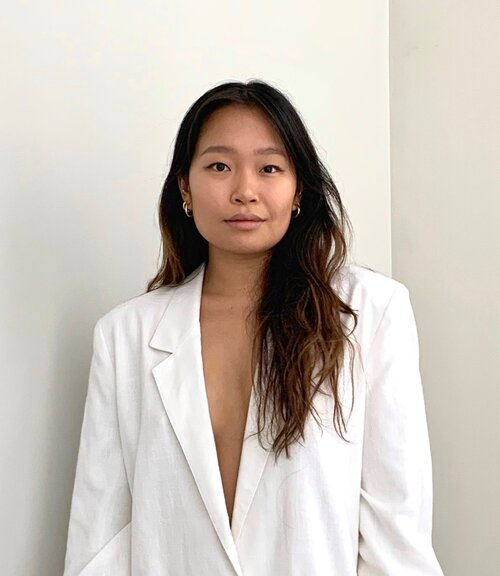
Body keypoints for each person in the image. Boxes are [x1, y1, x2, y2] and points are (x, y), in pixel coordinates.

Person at [63, 80, 444, 575]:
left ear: (298, 189)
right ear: (185, 187)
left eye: (269, 167)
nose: (244, 191)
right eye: (219, 166)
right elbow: (101, 540)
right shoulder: (125, 336)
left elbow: (397, 534)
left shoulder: (371, 313)